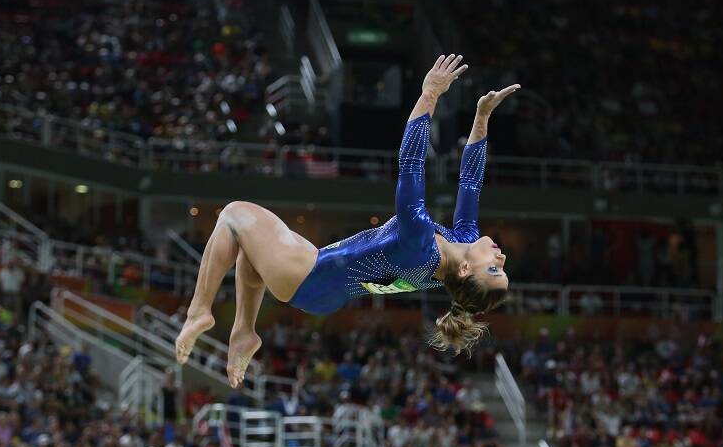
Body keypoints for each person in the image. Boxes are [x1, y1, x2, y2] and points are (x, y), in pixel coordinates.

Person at [175, 55, 517, 387]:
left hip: (309, 274)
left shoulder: (420, 245)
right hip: (323, 289)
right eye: (502, 268)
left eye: (493, 270)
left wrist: (429, 94)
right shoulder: (461, 242)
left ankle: (199, 312)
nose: (501, 259)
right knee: (250, 253)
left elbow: (411, 164)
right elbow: (470, 182)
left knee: (235, 214)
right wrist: (482, 116)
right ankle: (244, 333)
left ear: (464, 271)